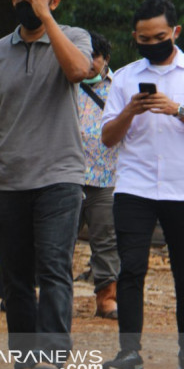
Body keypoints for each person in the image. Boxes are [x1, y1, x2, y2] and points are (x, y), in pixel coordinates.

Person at [0, 0, 92, 369]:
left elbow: (77, 71)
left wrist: (47, 19)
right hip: (9, 180)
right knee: (15, 278)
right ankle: (25, 362)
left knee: (53, 267)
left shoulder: (73, 37)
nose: (24, 1)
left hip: (60, 176)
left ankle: (51, 358)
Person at [99, 0, 184, 369]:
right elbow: (107, 139)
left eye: (160, 36)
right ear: (135, 37)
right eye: (144, 38)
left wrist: (177, 110)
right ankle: (129, 354)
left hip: (181, 189)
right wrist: (130, 111)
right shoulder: (124, 78)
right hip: (134, 188)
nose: (153, 43)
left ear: (175, 32)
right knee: (131, 270)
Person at [76, 30, 119, 320]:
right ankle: (53, 298)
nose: (89, 62)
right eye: (84, 55)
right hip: (67, 174)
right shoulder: (65, 82)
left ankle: (107, 298)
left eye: (94, 56)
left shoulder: (119, 87)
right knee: (58, 240)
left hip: (105, 177)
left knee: (104, 239)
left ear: (105, 60)